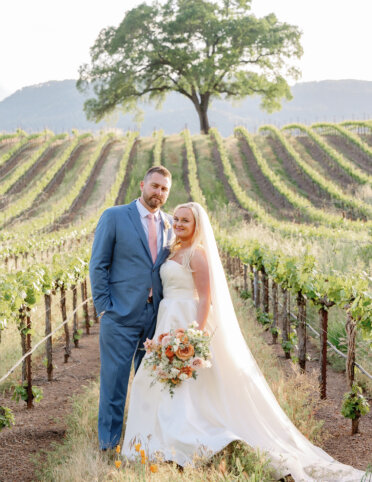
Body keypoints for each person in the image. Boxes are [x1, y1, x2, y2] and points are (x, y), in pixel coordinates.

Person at [122, 202, 365, 481]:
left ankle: (184, 442)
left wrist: (193, 337)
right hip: (167, 318)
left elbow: (205, 299)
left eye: (184, 221)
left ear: (196, 226)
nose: (177, 224)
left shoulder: (197, 255)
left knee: (190, 384)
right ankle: (153, 442)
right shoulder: (173, 251)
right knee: (155, 379)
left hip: (187, 321)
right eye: (175, 219)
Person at [89, 165, 173, 450]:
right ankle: (109, 444)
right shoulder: (114, 217)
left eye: (164, 189)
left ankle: (143, 441)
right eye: (155, 186)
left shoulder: (172, 224)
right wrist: (104, 307)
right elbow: (98, 264)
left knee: (150, 383)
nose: (158, 193)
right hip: (119, 315)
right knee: (114, 384)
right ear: (142, 185)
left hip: (155, 317)